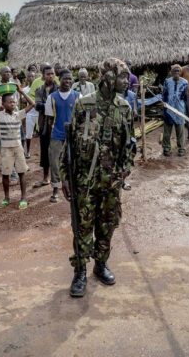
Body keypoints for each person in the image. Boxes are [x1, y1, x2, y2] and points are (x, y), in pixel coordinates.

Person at [61, 58, 135, 297]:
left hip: (111, 182)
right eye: (123, 76)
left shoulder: (125, 107)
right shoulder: (83, 105)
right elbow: (69, 144)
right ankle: (80, 271)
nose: (127, 81)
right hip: (85, 181)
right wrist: (65, 176)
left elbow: (130, 145)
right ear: (108, 77)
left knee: (107, 225)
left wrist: (124, 171)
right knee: (82, 227)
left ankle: (100, 265)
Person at [0, 87, 35, 209]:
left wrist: (21, 91)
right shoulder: (0, 116)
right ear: (3, 103)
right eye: (9, 102)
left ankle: (23, 197)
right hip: (6, 150)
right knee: (5, 174)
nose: (12, 104)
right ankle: (6, 198)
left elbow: (32, 104)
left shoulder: (18, 115)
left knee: (21, 173)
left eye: (14, 102)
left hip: (18, 148)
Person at [45, 69, 81, 203]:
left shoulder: (78, 96)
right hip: (57, 135)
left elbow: (81, 117)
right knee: (55, 163)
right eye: (65, 78)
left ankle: (72, 187)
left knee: (74, 161)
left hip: (73, 136)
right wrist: (52, 136)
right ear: (59, 80)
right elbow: (49, 120)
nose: (68, 81)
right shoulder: (52, 97)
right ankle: (55, 189)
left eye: (70, 79)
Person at [33, 65, 57, 188]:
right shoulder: (39, 90)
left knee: (58, 151)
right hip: (44, 125)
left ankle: (57, 178)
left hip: (57, 124)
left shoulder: (59, 89)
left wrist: (45, 105)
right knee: (45, 151)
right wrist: (50, 105)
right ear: (43, 75)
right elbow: (37, 106)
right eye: (48, 74)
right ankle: (46, 177)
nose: (50, 76)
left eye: (52, 73)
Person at [161, 65, 188, 157]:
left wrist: (185, 110)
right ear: (171, 72)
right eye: (174, 71)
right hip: (169, 109)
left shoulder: (185, 82)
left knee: (180, 130)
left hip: (180, 108)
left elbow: (185, 97)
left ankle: (181, 148)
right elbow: (164, 95)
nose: (176, 73)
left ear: (180, 72)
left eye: (178, 71)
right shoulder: (167, 82)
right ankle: (166, 148)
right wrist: (164, 109)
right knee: (167, 131)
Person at [23, 71, 38, 158]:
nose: (31, 78)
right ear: (27, 78)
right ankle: (27, 151)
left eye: (32, 76)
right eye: (29, 77)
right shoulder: (25, 90)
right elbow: (23, 100)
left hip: (39, 113)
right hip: (30, 114)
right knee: (29, 134)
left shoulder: (39, 88)